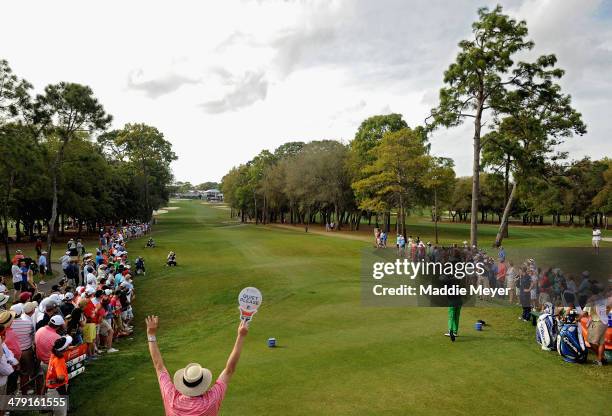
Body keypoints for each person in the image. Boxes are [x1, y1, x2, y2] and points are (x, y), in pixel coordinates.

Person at [146, 315, 249, 416]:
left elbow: (158, 365)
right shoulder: (210, 401)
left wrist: (151, 334)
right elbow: (229, 370)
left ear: (183, 382)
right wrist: (241, 336)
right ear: (203, 383)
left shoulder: (171, 398)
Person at [581, 287, 608, 366]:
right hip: (604, 322)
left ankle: (600, 358)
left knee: (592, 342)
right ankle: (601, 359)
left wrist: (577, 319)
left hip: (597, 323)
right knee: (601, 342)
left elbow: (584, 314)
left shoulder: (590, 302)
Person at [46, 335, 72, 416]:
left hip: (52, 389)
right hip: (58, 390)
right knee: (61, 413)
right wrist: (51, 381)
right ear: (64, 349)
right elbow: (61, 378)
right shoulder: (59, 360)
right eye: (68, 344)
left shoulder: (54, 353)